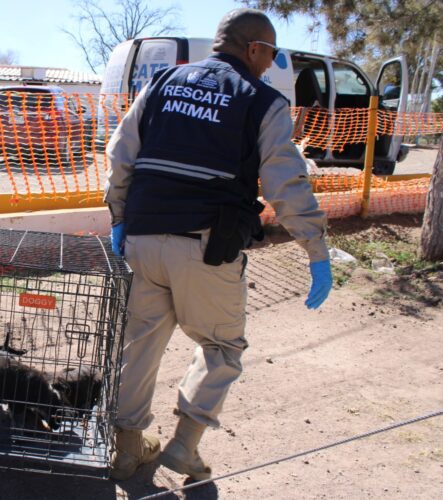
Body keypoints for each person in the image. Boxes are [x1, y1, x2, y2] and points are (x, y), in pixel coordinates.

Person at [104, 9, 332, 481]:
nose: (271, 64)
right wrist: (315, 250)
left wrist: (120, 215)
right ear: (253, 49)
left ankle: (127, 450)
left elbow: (122, 150)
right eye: (271, 53)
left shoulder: (164, 82)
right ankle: (184, 446)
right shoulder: (262, 102)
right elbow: (285, 183)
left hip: (143, 239)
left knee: (139, 345)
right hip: (207, 246)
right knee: (222, 345)